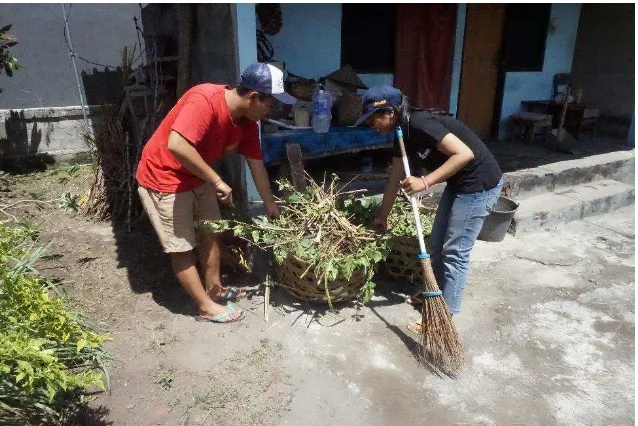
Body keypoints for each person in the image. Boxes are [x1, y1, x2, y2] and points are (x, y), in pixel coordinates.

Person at [136, 63, 296, 323]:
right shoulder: (205, 100)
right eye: (271, 104)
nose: (271, 111)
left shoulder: (248, 123)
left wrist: (270, 205)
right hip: (164, 177)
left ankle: (214, 288)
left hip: (197, 175)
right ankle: (204, 306)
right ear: (254, 97)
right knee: (181, 247)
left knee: (212, 231)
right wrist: (216, 180)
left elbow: (257, 165)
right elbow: (176, 145)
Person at [354, 86, 503, 330]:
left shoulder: (421, 124)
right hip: (459, 182)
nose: (372, 125)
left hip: (480, 184)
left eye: (373, 119)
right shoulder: (401, 132)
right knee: (436, 245)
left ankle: (444, 317)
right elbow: (394, 177)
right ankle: (433, 294)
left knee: (455, 251)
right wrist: (383, 216)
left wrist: (424, 182)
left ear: (390, 112)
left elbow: (464, 154)